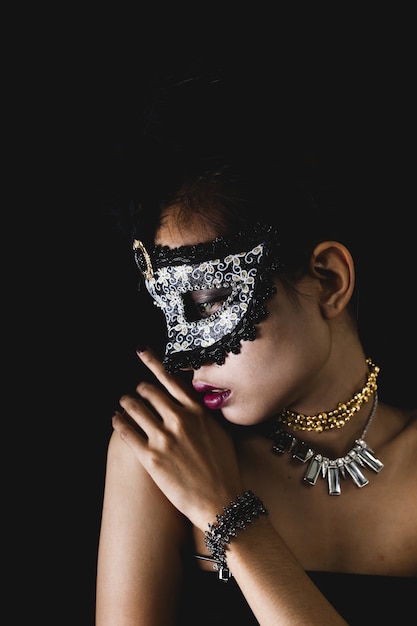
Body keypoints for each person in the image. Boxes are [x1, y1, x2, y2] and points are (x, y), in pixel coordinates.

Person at [95, 65, 417, 625]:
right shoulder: (158, 457)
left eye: (208, 302)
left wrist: (227, 516)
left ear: (330, 280)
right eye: (167, 311)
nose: (186, 352)